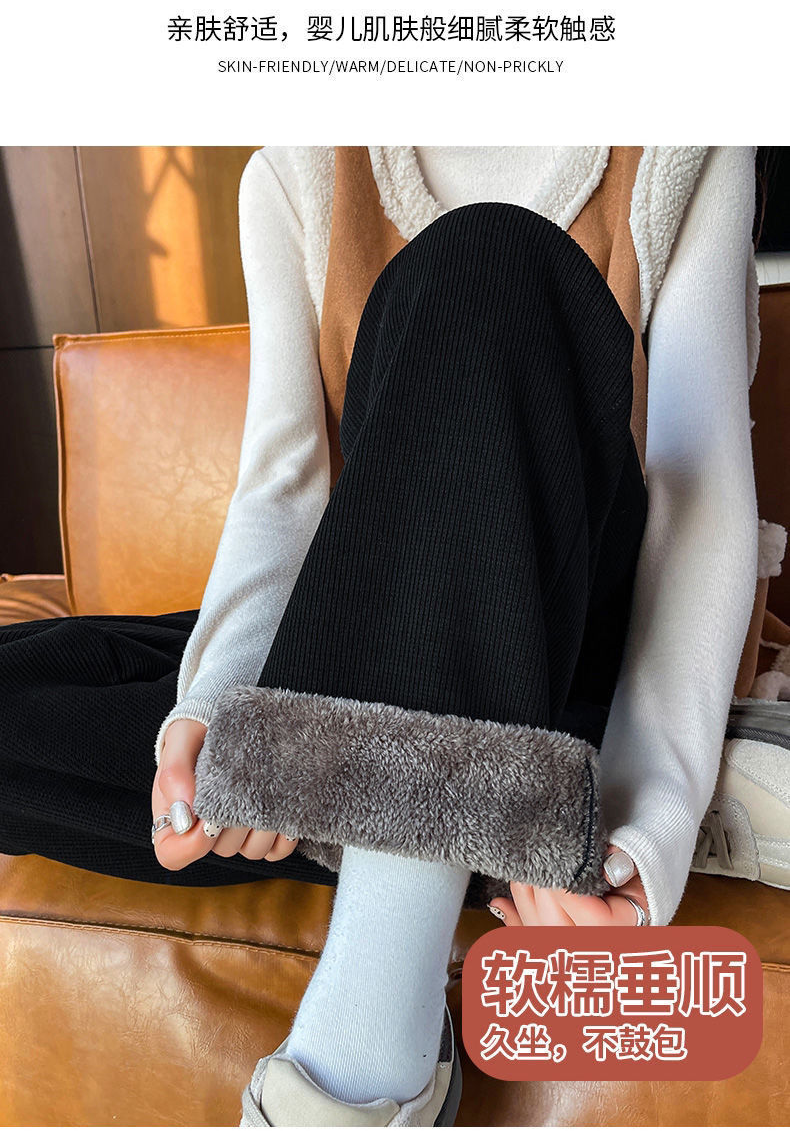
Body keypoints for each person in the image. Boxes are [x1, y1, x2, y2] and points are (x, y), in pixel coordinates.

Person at [0, 147, 760, 1127]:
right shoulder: (298, 170)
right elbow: (284, 490)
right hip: (371, 636)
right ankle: (459, 838)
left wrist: (652, 813)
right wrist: (215, 708)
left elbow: (697, 497)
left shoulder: (681, 143)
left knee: (489, 261)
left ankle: (363, 1054)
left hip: (573, 633)